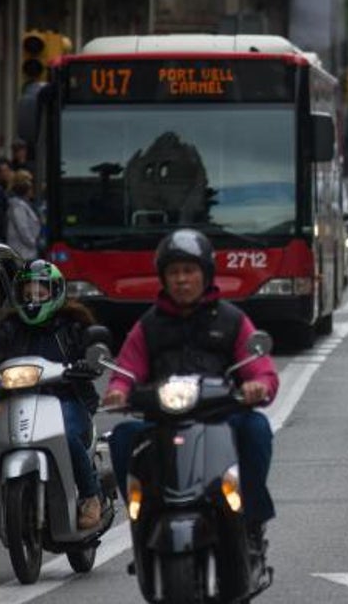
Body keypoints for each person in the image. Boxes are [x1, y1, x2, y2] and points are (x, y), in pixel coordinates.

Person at [101, 229, 279, 559]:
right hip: (162, 421)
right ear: (164, 278)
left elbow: (261, 369)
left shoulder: (231, 320)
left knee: (255, 428)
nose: (182, 280)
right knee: (123, 435)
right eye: (174, 272)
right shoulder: (148, 326)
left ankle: (251, 521)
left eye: (189, 271)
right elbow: (126, 369)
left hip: (220, 418)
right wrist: (117, 391)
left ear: (205, 274)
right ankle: (142, 520)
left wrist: (259, 385)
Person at [0, 261, 105, 529]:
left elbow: (91, 352)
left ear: (55, 292)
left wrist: (85, 364)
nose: (33, 299)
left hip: (66, 399)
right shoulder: (10, 327)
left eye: (40, 293)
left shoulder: (73, 325)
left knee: (68, 437)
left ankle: (91, 496)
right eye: (27, 293)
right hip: (18, 400)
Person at [6, 170, 42, 259]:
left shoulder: (24, 204)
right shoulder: (18, 206)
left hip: (26, 251)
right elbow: (23, 228)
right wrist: (33, 242)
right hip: (23, 252)